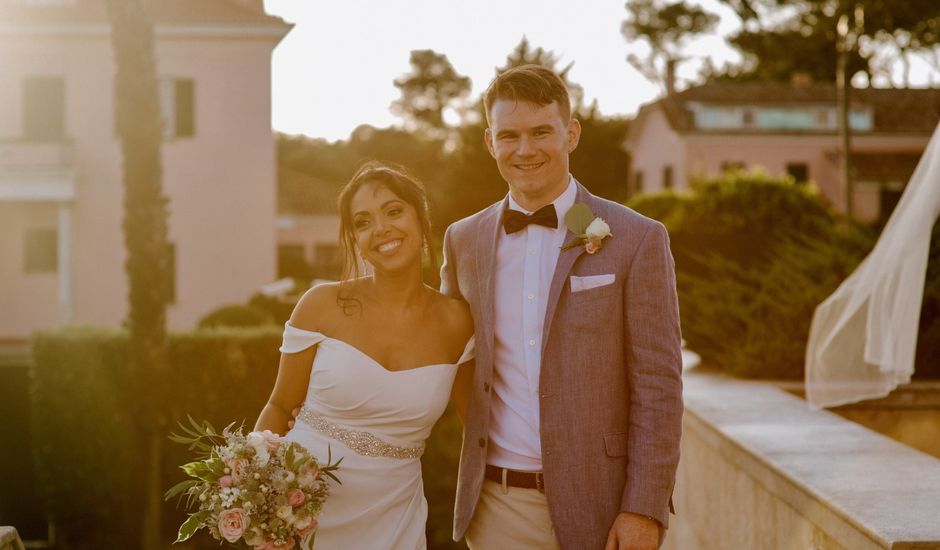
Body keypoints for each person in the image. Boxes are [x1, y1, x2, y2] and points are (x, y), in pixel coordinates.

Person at [438, 64, 683, 549]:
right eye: (509, 135)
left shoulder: (636, 239)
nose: (525, 150)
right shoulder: (463, 241)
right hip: (495, 507)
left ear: (571, 134)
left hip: (606, 506)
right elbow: (448, 358)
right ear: (490, 142)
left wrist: (644, 507)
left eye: (541, 132)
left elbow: (659, 383)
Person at [256, 161, 475, 550]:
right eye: (363, 222)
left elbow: (479, 427)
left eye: (393, 211)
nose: (381, 229)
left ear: (421, 217)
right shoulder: (318, 306)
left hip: (394, 519)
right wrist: (259, 497)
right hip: (302, 513)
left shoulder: (458, 322)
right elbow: (279, 404)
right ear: (355, 238)